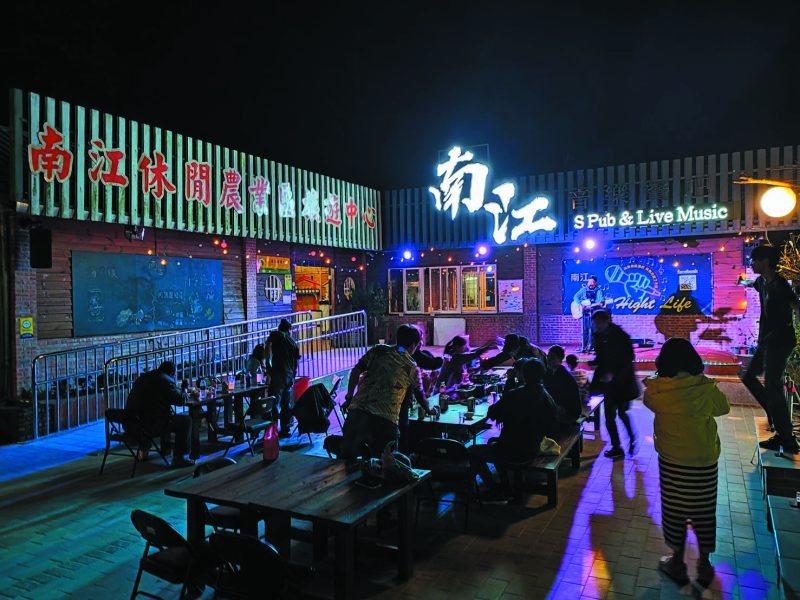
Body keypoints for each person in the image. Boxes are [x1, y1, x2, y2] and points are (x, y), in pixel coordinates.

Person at [643, 338, 730, 589]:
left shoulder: (657, 389)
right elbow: (723, 407)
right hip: (703, 461)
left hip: (671, 460)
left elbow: (647, 401)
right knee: (704, 511)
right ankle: (704, 565)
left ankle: (677, 563)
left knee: (674, 511)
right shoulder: (703, 388)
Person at [468, 358, 558, 504]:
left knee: (473, 451)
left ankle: (494, 489)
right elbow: (553, 421)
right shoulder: (546, 396)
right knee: (495, 443)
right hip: (533, 447)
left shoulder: (513, 395)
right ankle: (506, 487)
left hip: (511, 449)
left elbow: (492, 413)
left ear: (522, 374)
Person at [739, 244, 800, 453]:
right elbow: (750, 283)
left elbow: (796, 306)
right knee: (748, 376)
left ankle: (787, 438)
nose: (751, 264)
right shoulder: (762, 282)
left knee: (773, 385)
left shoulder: (780, 284)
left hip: (781, 341)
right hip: (766, 341)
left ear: (765, 261)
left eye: (754, 261)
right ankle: (774, 414)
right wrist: (742, 282)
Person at [339, 325, 431, 458]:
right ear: (413, 345)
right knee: (384, 463)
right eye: (418, 346)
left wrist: (349, 398)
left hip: (357, 413)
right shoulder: (411, 367)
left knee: (347, 460)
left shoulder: (378, 351)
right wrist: (429, 410)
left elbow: (356, 371)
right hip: (384, 420)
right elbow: (420, 395)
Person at [589, 309, 639, 459]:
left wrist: (614, 374)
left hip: (623, 382)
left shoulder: (620, 336)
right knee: (609, 416)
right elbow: (602, 358)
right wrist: (595, 363)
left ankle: (632, 438)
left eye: (599, 323)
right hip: (609, 384)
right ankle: (616, 446)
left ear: (607, 321)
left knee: (622, 413)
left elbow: (628, 359)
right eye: (595, 323)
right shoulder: (598, 336)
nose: (597, 326)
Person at [125, 361, 194, 467]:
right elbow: (180, 400)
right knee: (186, 421)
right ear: (172, 373)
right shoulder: (165, 381)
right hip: (150, 425)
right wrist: (184, 390)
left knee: (151, 413)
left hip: (131, 423)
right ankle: (179, 458)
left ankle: (144, 451)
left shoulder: (143, 378)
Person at [265, 319, 300, 438]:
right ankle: (285, 429)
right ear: (289, 329)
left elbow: (267, 346)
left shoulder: (275, 335)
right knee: (286, 403)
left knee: (274, 402)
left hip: (278, 374)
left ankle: (273, 430)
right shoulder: (293, 342)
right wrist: (293, 374)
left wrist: (268, 363)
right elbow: (296, 362)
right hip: (289, 376)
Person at [544, 345, 583, 430]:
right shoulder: (551, 372)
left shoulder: (563, 375)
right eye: (548, 356)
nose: (548, 359)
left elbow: (557, 397)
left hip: (569, 412)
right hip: (562, 407)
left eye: (552, 357)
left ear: (560, 359)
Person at [573, 275, 605, 352]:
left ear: (595, 283)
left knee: (594, 329)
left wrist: (600, 303)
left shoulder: (599, 291)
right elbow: (575, 297)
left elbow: (601, 301)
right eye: (589, 282)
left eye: (592, 282)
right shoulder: (583, 290)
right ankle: (584, 346)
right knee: (585, 329)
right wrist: (581, 304)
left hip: (595, 312)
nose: (590, 283)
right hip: (586, 313)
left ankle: (592, 347)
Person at [481, 333, 546, 370]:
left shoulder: (532, 352)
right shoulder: (514, 347)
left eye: (512, 351)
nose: (511, 354)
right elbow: (501, 357)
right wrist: (484, 366)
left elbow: (537, 368)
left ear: (517, 347)